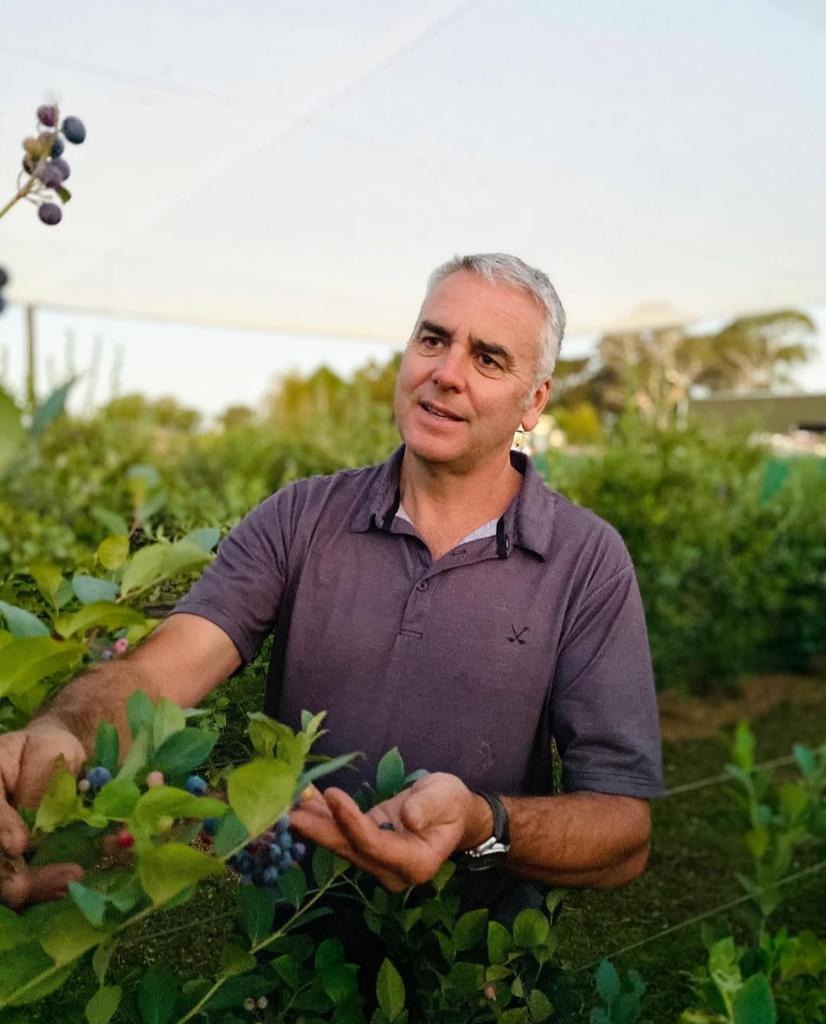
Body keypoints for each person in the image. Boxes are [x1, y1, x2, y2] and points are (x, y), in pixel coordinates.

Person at [0, 253, 662, 913]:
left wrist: (481, 825)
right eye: (433, 339)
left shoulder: (585, 561)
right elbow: (158, 673)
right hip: (290, 950)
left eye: (488, 359)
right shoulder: (303, 518)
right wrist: (64, 731)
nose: (447, 373)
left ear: (534, 401)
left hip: (475, 974)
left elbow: (623, 830)